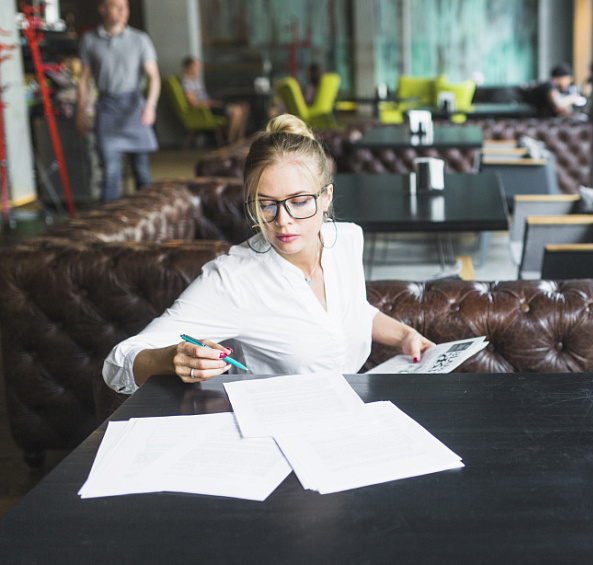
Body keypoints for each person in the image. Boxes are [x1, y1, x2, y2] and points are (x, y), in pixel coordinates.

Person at [102, 114, 435, 394]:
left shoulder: (345, 238)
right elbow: (117, 364)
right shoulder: (233, 279)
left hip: (354, 413)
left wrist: (404, 335)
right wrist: (169, 358)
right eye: (266, 204)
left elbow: (350, 311)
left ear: (326, 197)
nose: (282, 220)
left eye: (300, 201)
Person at [76, 0, 160, 204]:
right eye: (116, 6)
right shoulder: (89, 40)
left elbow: (154, 77)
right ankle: (108, 226)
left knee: (141, 172)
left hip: (134, 108)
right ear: (102, 9)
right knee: (110, 172)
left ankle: (147, 219)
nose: (123, 11)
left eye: (126, 6)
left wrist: (150, 106)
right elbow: (83, 80)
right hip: (107, 109)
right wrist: (80, 112)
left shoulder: (140, 39)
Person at [181, 56, 249, 144]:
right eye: (195, 67)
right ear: (186, 68)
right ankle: (230, 141)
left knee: (245, 106)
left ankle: (240, 139)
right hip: (206, 109)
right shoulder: (187, 83)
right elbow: (193, 103)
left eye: (198, 66)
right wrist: (212, 103)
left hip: (210, 104)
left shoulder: (195, 81)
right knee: (236, 111)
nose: (198, 69)